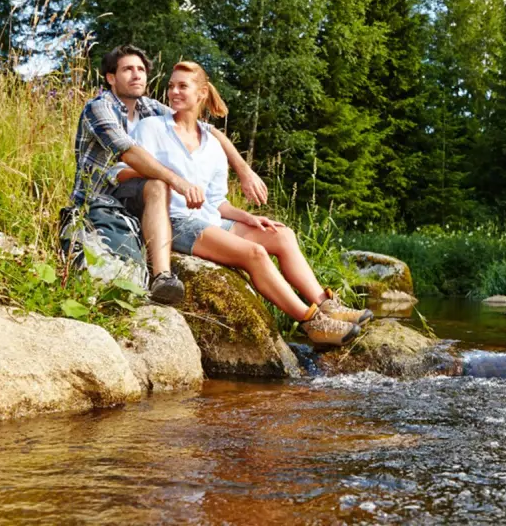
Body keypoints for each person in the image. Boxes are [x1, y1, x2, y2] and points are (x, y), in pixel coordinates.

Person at [117, 61, 372, 346]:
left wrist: (247, 218)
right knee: (255, 253)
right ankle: (311, 321)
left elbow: (217, 203)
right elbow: (124, 171)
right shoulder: (151, 127)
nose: (173, 92)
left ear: (201, 93)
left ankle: (327, 305)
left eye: (182, 86)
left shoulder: (212, 144)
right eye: (171, 86)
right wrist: (175, 180)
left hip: (212, 221)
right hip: (175, 220)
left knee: (282, 235)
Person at [61, 45, 267, 304]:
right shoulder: (99, 108)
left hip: (138, 199)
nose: (136, 75)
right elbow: (129, 153)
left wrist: (244, 170)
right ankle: (163, 275)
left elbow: (209, 130)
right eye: (127, 70)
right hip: (102, 199)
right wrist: (178, 181)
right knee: (158, 184)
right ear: (111, 78)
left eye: (141, 70)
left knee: (158, 185)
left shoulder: (149, 108)